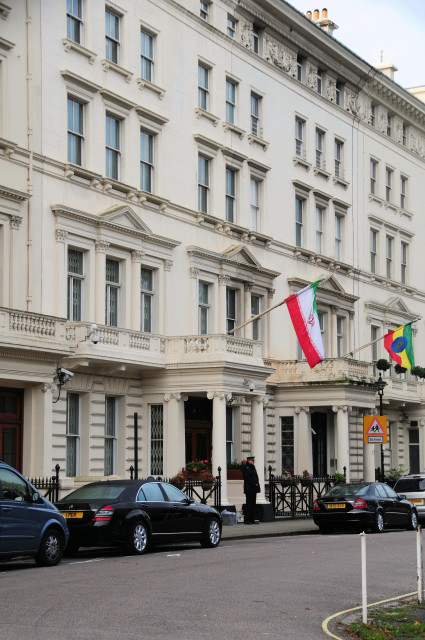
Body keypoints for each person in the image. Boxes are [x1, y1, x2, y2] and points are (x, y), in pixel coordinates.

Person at [243, 456, 260, 524]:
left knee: (253, 505)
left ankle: (252, 519)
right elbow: (248, 478)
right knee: (249, 505)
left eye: (253, 460)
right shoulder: (247, 468)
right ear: (249, 461)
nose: (253, 461)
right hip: (249, 489)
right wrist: (254, 484)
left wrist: (257, 485)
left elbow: (255, 477)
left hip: (253, 489)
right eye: (252, 460)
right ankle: (247, 520)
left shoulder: (253, 468)